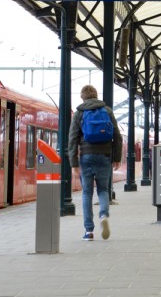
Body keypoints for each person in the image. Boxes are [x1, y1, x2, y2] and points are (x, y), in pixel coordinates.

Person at [68, 84, 123, 241]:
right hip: (105, 155)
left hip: (86, 156)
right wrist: (117, 158)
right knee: (103, 190)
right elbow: (117, 136)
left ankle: (88, 231)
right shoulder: (107, 110)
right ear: (96, 95)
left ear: (83, 97)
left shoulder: (80, 112)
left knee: (86, 193)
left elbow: (72, 138)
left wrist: (74, 163)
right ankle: (104, 215)